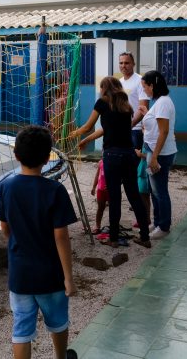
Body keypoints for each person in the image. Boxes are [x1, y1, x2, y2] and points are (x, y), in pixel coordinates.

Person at [0, 125, 78, 359]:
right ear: (48, 157)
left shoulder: (6, 187)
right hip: (51, 275)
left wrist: (19, 244)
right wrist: (68, 278)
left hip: (20, 275)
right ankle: (61, 357)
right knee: (58, 322)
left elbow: (5, 228)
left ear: (16, 155)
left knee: (21, 329)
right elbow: (61, 237)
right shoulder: (55, 191)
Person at [70, 76, 151, 248]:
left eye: (101, 88)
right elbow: (105, 129)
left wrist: (75, 133)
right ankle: (145, 237)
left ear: (104, 88)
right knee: (134, 195)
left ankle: (113, 239)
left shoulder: (102, 102)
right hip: (129, 154)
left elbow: (88, 126)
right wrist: (86, 140)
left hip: (112, 156)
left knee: (114, 197)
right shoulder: (125, 105)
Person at [139, 70, 177, 240]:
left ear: (152, 86)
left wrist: (154, 157)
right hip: (154, 151)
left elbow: (164, 131)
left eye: (145, 87)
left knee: (160, 191)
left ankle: (164, 226)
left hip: (159, 153)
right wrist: (146, 113)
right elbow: (156, 126)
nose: (144, 90)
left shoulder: (163, 103)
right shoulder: (160, 102)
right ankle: (157, 222)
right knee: (155, 191)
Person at [118, 52, 149, 150]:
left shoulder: (140, 81)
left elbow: (143, 108)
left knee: (134, 158)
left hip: (135, 129)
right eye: (121, 63)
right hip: (121, 128)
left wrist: (129, 125)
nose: (123, 65)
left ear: (133, 64)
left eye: (127, 63)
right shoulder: (119, 82)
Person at [90, 159, 108, 235]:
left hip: (112, 190)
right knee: (100, 208)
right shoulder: (101, 162)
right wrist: (94, 187)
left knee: (114, 209)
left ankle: (114, 227)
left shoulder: (115, 160)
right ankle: (97, 226)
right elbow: (97, 175)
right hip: (101, 189)